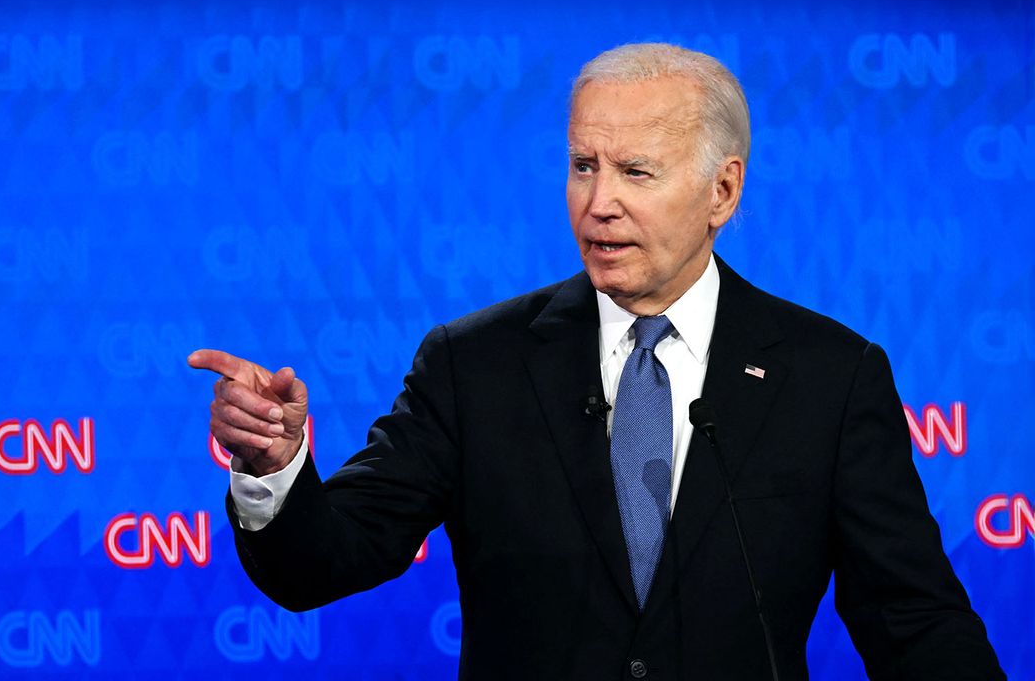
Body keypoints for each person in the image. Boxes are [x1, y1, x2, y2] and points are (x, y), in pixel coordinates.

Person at [188, 44, 1004, 680]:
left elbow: (913, 622)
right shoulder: (473, 366)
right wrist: (277, 464)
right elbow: (322, 561)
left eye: (635, 172)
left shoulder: (830, 377)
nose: (598, 201)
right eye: (584, 165)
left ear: (723, 192)